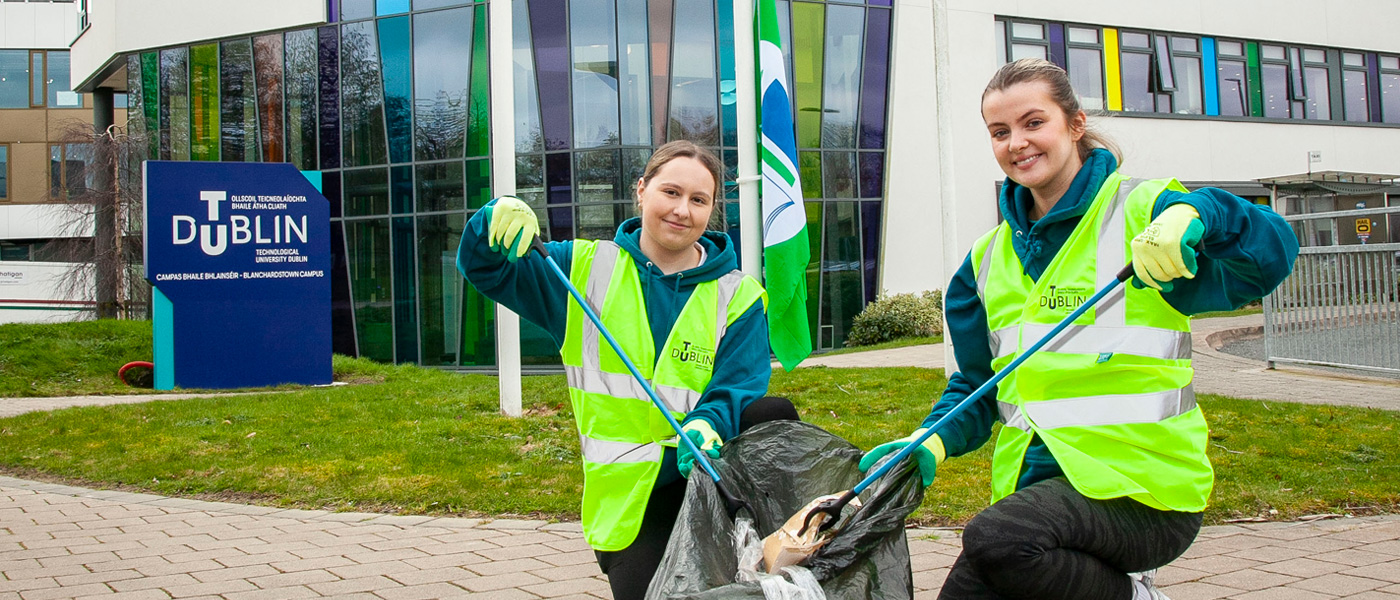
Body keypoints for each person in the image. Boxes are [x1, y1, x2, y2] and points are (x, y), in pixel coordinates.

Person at [859, 59, 1298, 600]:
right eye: (1000, 132)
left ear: (1075, 124)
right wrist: (927, 442)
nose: (1017, 142)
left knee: (998, 539)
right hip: (1036, 495)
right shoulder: (983, 263)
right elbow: (976, 389)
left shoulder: (1144, 213)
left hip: (1145, 492)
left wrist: (1199, 213)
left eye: (1033, 122)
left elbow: (1270, 254)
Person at [457, 140, 799, 600]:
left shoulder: (738, 295)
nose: (682, 210)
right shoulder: (580, 269)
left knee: (772, 412)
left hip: (713, 484)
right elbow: (487, 267)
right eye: (670, 192)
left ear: (712, 209)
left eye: (698, 200)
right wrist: (491, 219)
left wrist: (706, 422)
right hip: (631, 502)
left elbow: (738, 385)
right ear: (641, 190)